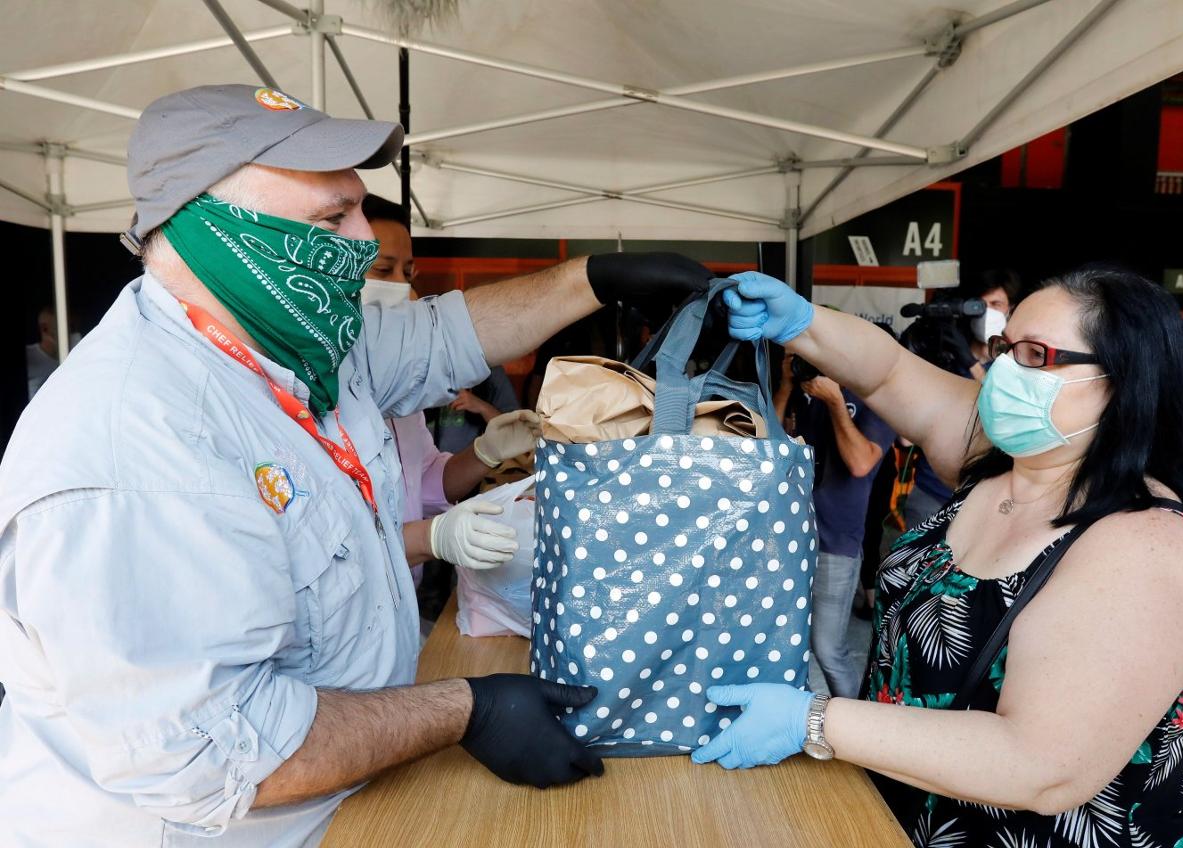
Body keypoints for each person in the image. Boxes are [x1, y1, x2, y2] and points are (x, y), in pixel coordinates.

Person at [0, 85, 711, 846]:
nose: (365, 241)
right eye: (330, 219)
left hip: (344, 806)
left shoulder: (294, 344)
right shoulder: (133, 452)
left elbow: (444, 335)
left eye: (360, 209)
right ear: (208, 230)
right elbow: (223, 754)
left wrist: (593, 279)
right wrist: (465, 708)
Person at [694, 267, 1183, 848]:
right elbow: (889, 371)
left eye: (1034, 354)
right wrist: (801, 322)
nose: (1002, 369)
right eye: (1003, 347)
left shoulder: (1145, 548)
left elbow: (1044, 766)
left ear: (1124, 380)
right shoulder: (1008, 461)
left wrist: (813, 722)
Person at [359, 194, 536, 583]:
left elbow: (425, 481)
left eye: (408, 273)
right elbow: (339, 549)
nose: (400, 287)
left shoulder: (402, 392)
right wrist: (430, 537)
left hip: (402, 600)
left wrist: (485, 452)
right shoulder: (317, 391)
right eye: (383, 270)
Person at [773, 353, 895, 698]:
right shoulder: (802, 391)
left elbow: (861, 464)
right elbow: (770, 446)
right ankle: (795, 718)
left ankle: (860, 731)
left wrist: (837, 403)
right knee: (784, 645)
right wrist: (785, 385)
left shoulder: (872, 400)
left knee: (828, 650)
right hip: (790, 537)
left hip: (836, 542)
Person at [905, 270, 1021, 530]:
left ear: (1010, 310)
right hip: (929, 494)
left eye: (996, 305)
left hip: (982, 501)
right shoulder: (944, 357)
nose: (987, 312)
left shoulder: (1015, 364)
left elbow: (1003, 410)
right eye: (981, 305)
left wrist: (968, 363)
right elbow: (905, 437)